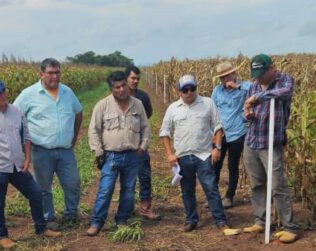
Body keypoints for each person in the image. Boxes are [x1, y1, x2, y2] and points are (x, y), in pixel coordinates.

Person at [0, 77, 61, 249]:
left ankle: (41, 228)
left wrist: (27, 158)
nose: (3, 95)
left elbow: (26, 136)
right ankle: (2, 236)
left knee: (35, 193)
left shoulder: (16, 111)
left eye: (4, 91)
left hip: (17, 165)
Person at [14, 58, 83, 229]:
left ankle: (71, 214)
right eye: (51, 72)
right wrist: (22, 146)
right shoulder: (29, 94)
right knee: (43, 188)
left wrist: (73, 137)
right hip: (41, 150)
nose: (55, 76)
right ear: (41, 74)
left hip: (66, 150)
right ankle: (48, 218)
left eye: (57, 72)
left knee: (73, 183)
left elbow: (78, 112)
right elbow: (14, 117)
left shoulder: (67, 92)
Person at [241, 54, 299, 243]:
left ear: (271, 68)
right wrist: (248, 114)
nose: (258, 78)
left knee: (277, 185)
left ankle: (289, 227)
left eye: (261, 74)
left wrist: (257, 98)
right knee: (257, 184)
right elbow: (247, 111)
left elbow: (284, 92)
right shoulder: (253, 84)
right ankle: (261, 220)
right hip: (252, 141)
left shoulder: (284, 80)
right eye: (255, 74)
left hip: (271, 143)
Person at [159, 75, 228, 231]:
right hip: (182, 156)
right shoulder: (172, 109)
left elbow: (218, 127)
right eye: (185, 90)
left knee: (210, 188)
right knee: (187, 190)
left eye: (192, 89)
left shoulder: (207, 103)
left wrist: (217, 148)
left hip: (203, 155)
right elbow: (165, 132)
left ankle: (220, 220)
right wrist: (170, 154)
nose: (189, 92)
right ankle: (191, 220)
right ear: (179, 92)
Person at [86, 71, 149, 236]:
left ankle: (122, 219)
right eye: (117, 87)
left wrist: (143, 145)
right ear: (111, 89)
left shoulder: (138, 104)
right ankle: (97, 222)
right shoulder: (102, 105)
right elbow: (93, 129)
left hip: (132, 155)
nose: (121, 90)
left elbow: (145, 127)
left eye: (123, 86)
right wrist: (98, 152)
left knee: (128, 190)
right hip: (111, 155)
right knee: (105, 190)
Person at [211, 61, 251, 208]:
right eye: (222, 77)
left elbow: (257, 90)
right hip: (220, 133)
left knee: (233, 166)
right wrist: (212, 132)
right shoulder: (217, 91)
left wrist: (236, 86)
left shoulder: (244, 87)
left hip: (237, 133)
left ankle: (229, 196)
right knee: (215, 165)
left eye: (227, 75)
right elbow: (212, 111)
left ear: (234, 74)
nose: (225, 79)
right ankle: (213, 197)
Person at [125, 65, 161, 221]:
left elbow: (148, 114)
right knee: (127, 177)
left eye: (137, 79)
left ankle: (145, 208)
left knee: (144, 175)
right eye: (133, 78)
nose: (135, 81)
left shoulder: (143, 97)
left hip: (140, 142)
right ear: (126, 78)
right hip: (124, 142)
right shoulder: (119, 95)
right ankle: (127, 208)